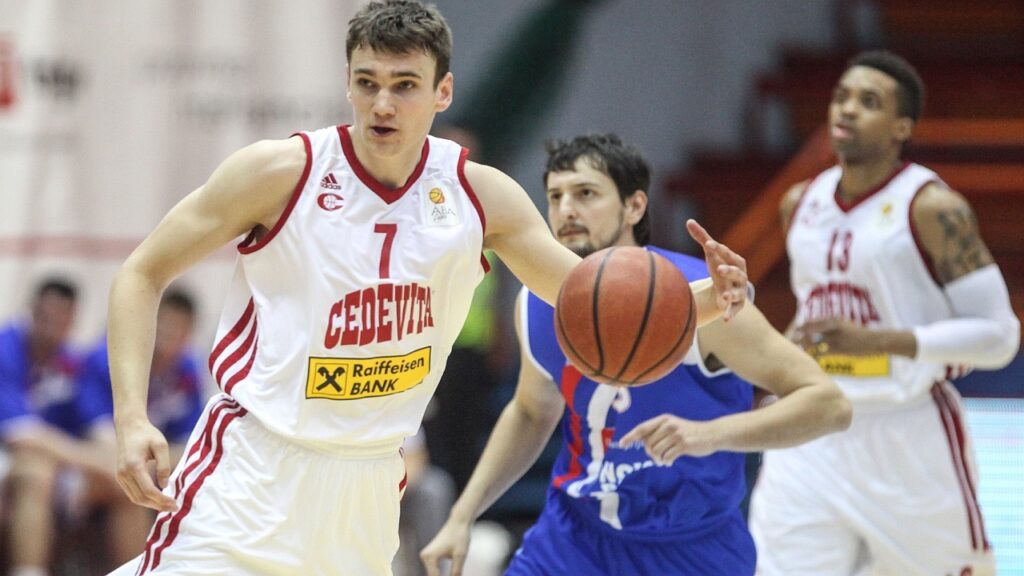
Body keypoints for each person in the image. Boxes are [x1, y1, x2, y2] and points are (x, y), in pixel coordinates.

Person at [104, 2, 749, 574]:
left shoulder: (479, 194)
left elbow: (594, 304)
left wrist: (709, 299)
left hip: (369, 486)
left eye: (404, 85)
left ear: (443, 92)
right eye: (368, 83)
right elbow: (141, 273)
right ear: (349, 84)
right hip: (254, 468)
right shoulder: (280, 173)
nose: (382, 104)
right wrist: (131, 418)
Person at [420, 133, 852, 576]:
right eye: (555, 196)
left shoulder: (704, 298)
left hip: (689, 548)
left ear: (635, 207)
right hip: (574, 538)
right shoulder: (537, 303)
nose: (567, 209)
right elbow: (531, 411)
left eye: (586, 193)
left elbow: (828, 404)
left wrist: (708, 434)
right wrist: (462, 515)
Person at [749, 50, 1020, 576]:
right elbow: (811, 314)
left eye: (868, 102)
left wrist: (880, 342)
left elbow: (1000, 336)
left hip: (905, 430)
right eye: (841, 97)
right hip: (812, 428)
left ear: (902, 128)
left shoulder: (933, 208)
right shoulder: (799, 202)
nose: (847, 109)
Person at [74, 288, 206, 568]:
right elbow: (102, 438)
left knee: (197, 488)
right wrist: (151, 463)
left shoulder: (186, 370)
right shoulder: (106, 357)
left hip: (148, 467)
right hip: (87, 462)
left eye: (180, 329)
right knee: (130, 485)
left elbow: (191, 446)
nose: (171, 335)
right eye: (166, 325)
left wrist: (157, 463)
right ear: (150, 322)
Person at [0, 278, 114, 576]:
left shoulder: (71, 360)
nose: (55, 324)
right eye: (48, 315)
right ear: (32, 311)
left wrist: (116, 457)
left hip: (55, 457)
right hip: (12, 452)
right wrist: (93, 461)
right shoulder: (6, 348)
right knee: (36, 473)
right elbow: (22, 435)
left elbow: (96, 422)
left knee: (122, 485)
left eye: (64, 317)